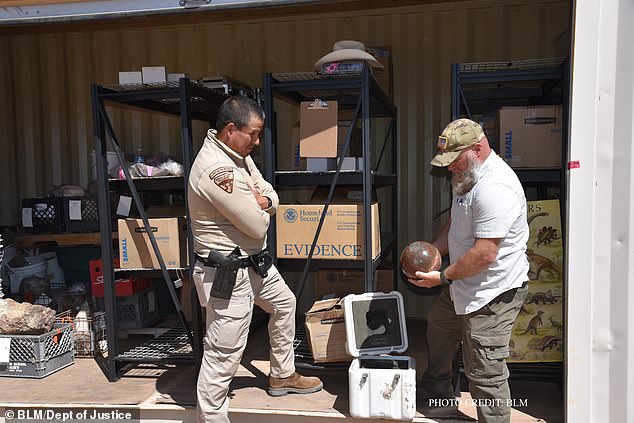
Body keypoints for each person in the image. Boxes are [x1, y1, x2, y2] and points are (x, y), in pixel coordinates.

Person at [188, 96, 323, 423]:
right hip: (228, 272)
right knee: (223, 354)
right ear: (231, 129)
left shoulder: (238, 155)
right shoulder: (216, 169)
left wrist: (262, 201)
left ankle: (282, 374)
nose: (258, 141)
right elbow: (257, 223)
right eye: (254, 133)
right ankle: (211, 419)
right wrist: (262, 206)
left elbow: (271, 195)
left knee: (285, 303)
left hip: (254, 263)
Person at [409, 118, 529, 423]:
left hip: (492, 291)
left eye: (453, 160)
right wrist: (436, 250)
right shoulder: (468, 174)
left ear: (477, 149)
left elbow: (485, 253)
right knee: (438, 324)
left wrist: (441, 276)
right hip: (465, 284)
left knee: (484, 371)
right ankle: (437, 393)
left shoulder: (495, 187)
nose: (449, 167)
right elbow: (458, 223)